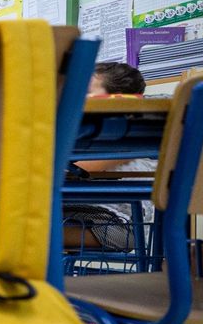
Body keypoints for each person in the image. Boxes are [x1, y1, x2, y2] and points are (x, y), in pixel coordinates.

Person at [64, 61, 153, 252]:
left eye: (86, 90)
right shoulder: (84, 134)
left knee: (14, 233)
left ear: (117, 100)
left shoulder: (126, 139)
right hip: (77, 215)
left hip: (118, 228)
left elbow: (83, 169)